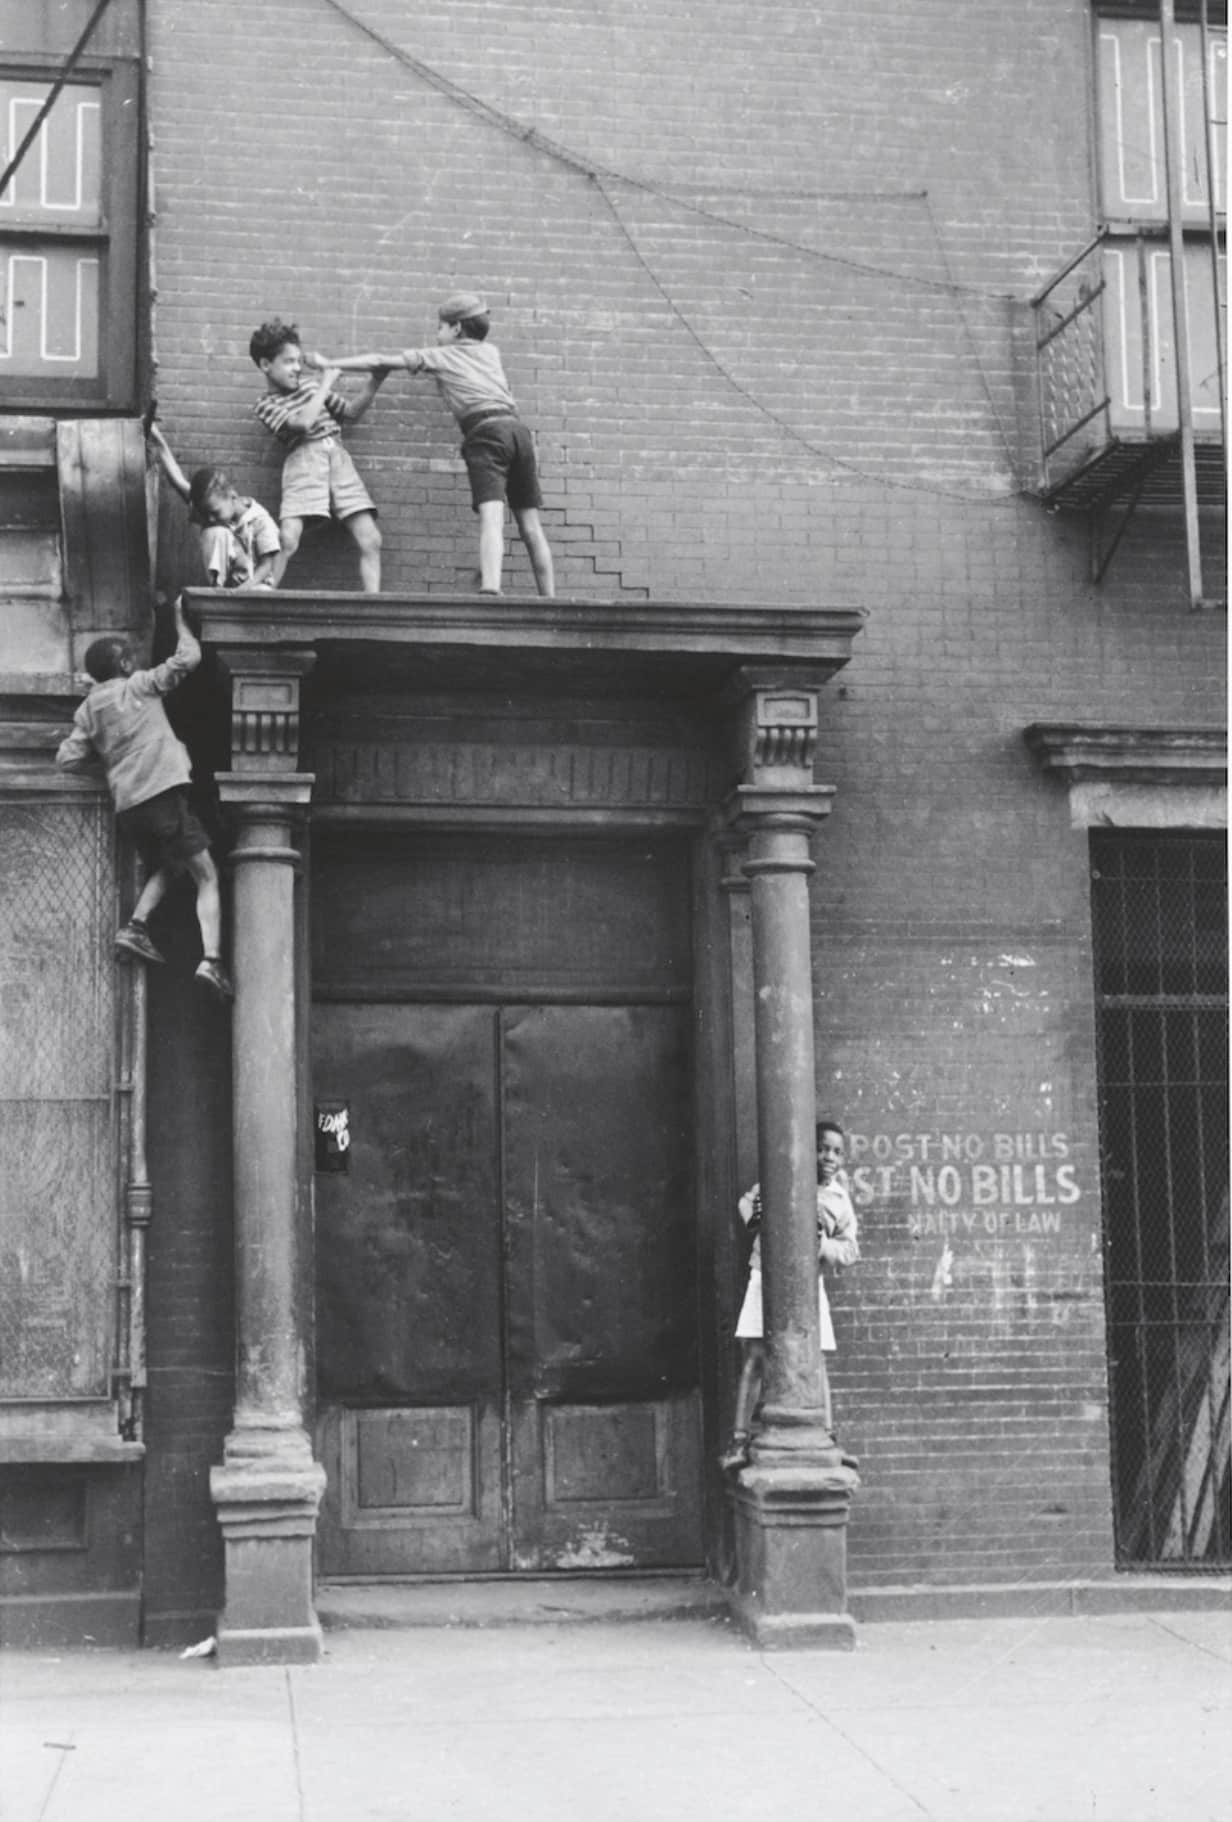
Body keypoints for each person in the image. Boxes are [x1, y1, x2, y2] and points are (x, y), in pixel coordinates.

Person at [311, 292, 555, 598]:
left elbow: (379, 360)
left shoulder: (441, 356)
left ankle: (491, 588)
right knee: (530, 526)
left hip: (485, 433)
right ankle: (551, 599)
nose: (436, 334)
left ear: (456, 329)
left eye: (440, 327)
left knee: (492, 517)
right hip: (518, 431)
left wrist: (329, 363)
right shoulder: (491, 352)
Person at [55, 597, 234, 1001]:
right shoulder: (139, 685)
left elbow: (67, 759)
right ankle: (212, 960)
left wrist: (114, 766)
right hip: (163, 794)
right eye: (129, 657)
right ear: (121, 665)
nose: (133, 661)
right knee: (207, 875)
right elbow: (189, 657)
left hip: (131, 807)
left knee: (171, 867)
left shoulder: (88, 710)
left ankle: (135, 927)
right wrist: (179, 620)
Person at [721, 1118, 859, 1470]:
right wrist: (759, 1217)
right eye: (822, 1148)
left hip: (808, 1285)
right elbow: (745, 1204)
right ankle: (738, 1441)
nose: (829, 1157)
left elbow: (850, 1250)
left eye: (837, 1152)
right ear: (808, 1150)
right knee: (754, 1358)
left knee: (817, 1363)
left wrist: (823, 1244)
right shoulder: (779, 1179)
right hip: (764, 1275)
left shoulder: (840, 1200)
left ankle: (827, 1436)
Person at [249, 318, 386, 593]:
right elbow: (302, 424)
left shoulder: (311, 387)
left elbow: (349, 412)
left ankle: (374, 607)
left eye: (299, 361)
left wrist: (375, 381)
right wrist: (325, 382)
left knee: (371, 540)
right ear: (266, 365)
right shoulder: (266, 404)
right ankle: (263, 594)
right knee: (287, 539)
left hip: (338, 457)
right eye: (288, 362)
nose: (297, 368)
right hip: (303, 461)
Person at [146, 417, 280, 589]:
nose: (209, 518)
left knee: (219, 533)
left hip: (255, 587)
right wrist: (157, 438)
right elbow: (178, 479)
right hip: (228, 589)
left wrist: (241, 592)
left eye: (214, 513)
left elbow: (267, 566)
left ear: (233, 496)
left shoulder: (261, 520)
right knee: (181, 605)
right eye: (206, 513)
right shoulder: (213, 508)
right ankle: (216, 592)